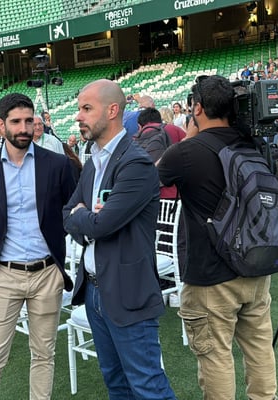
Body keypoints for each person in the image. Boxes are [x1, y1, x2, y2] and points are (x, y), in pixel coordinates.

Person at [158, 75, 278, 399]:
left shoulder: (187, 152)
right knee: (260, 349)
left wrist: (189, 136)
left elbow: (151, 178)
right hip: (255, 266)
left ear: (197, 108)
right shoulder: (253, 145)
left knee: (215, 356)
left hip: (210, 277)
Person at [63, 79, 176, 399]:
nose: (78, 116)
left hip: (127, 290)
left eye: (87, 108)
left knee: (147, 386)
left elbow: (103, 225)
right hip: (94, 290)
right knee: (116, 383)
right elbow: (67, 213)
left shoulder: (135, 162)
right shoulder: (93, 162)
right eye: (79, 109)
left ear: (112, 110)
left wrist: (84, 218)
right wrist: (86, 217)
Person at [0, 93, 76, 399]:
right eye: (16, 121)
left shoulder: (57, 164)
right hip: (4, 275)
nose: (24, 128)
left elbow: (68, 213)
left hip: (47, 274)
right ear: (1, 125)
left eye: (29, 121)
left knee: (44, 354)